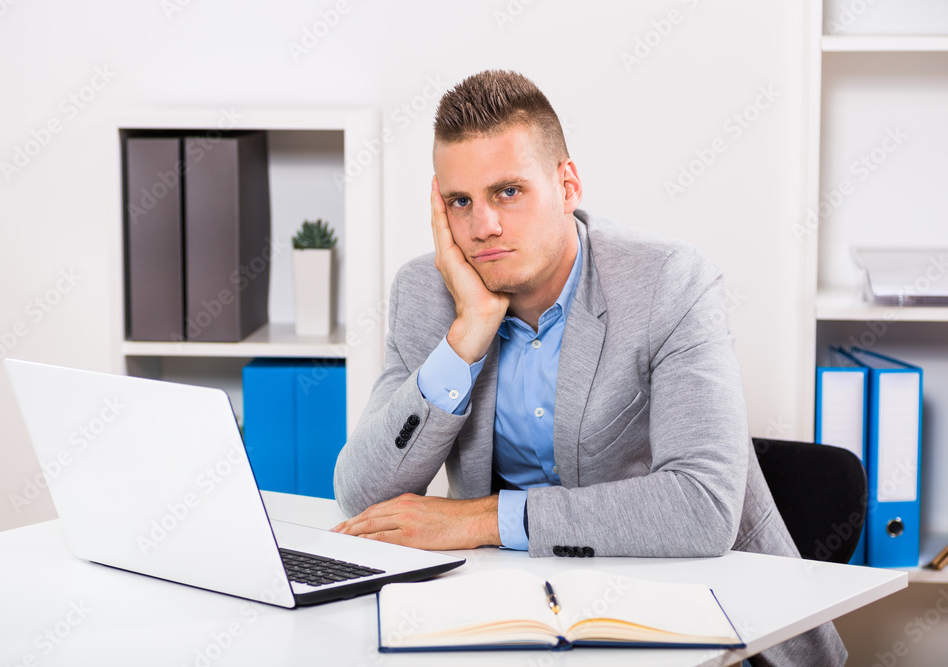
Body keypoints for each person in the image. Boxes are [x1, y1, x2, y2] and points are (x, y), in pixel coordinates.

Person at [331, 69, 846, 666]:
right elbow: (363, 495)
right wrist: (466, 336)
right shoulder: (428, 292)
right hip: (512, 615)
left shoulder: (668, 283)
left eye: (508, 192)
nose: (483, 227)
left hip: (697, 619)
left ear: (567, 184)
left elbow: (702, 507)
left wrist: (483, 519)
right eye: (460, 202)